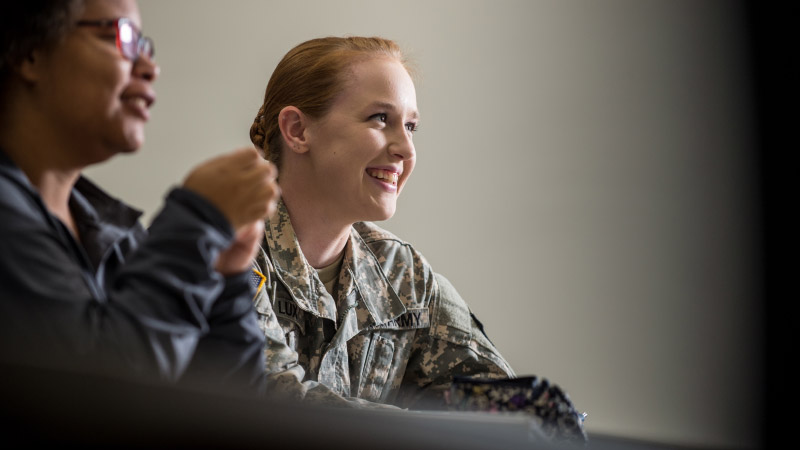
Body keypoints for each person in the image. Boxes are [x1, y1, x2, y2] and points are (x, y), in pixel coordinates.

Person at [0, 0, 279, 392]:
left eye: (144, 47)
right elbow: (103, 399)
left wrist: (228, 279)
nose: (150, 68)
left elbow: (230, 407)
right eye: (121, 37)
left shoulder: (113, 232)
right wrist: (196, 221)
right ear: (31, 52)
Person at [248, 36, 517, 409]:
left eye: (410, 127)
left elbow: (509, 406)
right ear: (297, 130)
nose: (406, 150)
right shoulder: (220, 250)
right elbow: (280, 407)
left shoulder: (403, 276)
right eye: (380, 119)